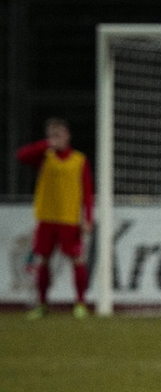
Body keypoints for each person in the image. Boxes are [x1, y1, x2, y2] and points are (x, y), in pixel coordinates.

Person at [16, 118, 94, 319]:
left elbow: (87, 191)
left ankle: (80, 303)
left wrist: (87, 217)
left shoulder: (79, 160)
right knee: (43, 260)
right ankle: (42, 304)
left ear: (68, 136)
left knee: (77, 258)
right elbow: (21, 155)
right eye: (51, 135)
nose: (54, 139)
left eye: (58, 135)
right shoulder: (44, 156)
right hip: (46, 217)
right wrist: (45, 144)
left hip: (69, 218)